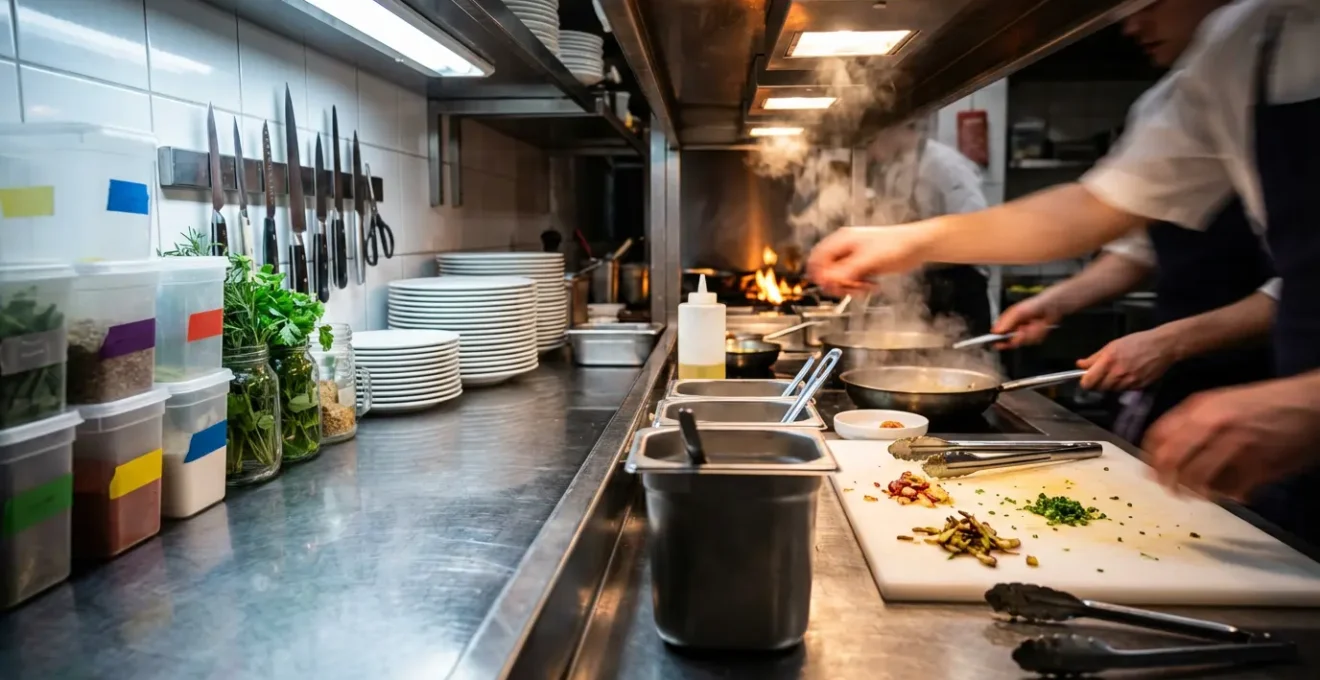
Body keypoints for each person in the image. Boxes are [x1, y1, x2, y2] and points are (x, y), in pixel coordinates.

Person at [806, 0, 1320, 543]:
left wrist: (1307, 401)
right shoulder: (1240, 47)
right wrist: (906, 242)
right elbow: (1095, 209)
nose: (1131, 21)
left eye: (1152, 0)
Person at [992, 0, 1277, 443]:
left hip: (1274, 379)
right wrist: (1056, 302)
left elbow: (1299, 284)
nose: (1132, 25)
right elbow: (1138, 246)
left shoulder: (1284, 62)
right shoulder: (1169, 100)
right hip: (1182, 377)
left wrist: (1170, 341)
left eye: (1151, 2)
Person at [863, 119, 993, 335]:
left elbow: (979, 235)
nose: (870, 152)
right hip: (926, 290)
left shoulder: (946, 165)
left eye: (871, 142)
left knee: (962, 362)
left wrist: (912, 252)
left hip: (959, 290)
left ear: (896, 128)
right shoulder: (897, 168)